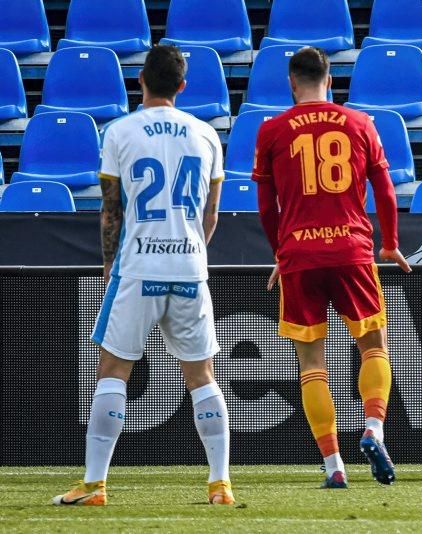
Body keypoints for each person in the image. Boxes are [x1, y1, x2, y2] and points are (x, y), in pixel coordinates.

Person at [53, 45, 233, 506]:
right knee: (202, 375)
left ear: (140, 82)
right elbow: (211, 215)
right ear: (183, 86)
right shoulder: (206, 134)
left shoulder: (120, 131)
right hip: (191, 265)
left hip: (138, 265)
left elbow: (110, 209)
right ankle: (220, 485)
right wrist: (189, 248)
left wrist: (110, 262)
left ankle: (94, 485)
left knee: (113, 370)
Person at [252, 46, 411, 488]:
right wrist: (391, 243)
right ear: (331, 81)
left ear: (291, 82)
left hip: (300, 255)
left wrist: (280, 252)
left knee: (311, 364)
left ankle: (333, 467)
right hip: (352, 250)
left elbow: (266, 206)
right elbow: (385, 190)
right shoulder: (360, 123)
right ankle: (374, 429)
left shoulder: (271, 130)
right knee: (374, 346)